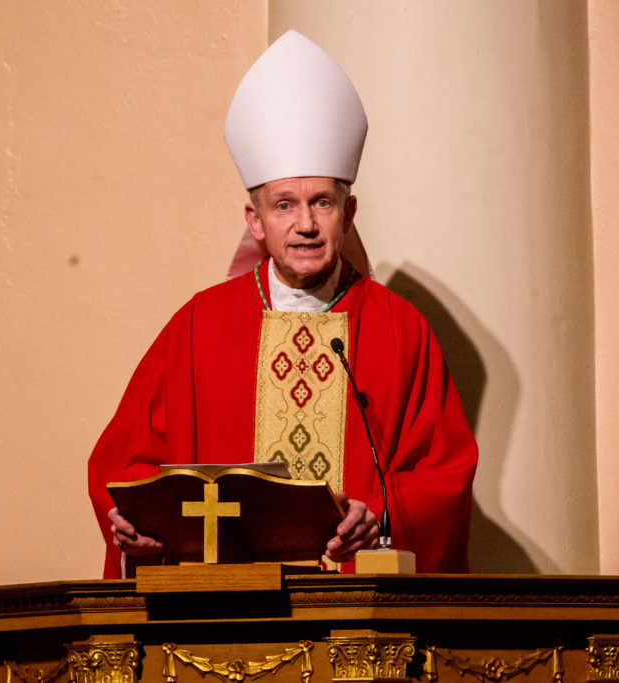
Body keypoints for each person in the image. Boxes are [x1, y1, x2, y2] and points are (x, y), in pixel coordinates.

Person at [88, 31, 478, 579]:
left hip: (356, 615)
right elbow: (123, 465)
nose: (305, 224)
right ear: (255, 220)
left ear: (349, 211)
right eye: (284, 205)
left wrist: (383, 515)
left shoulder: (400, 329)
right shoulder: (201, 326)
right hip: (224, 609)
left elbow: (444, 473)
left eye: (322, 201)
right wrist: (127, 519)